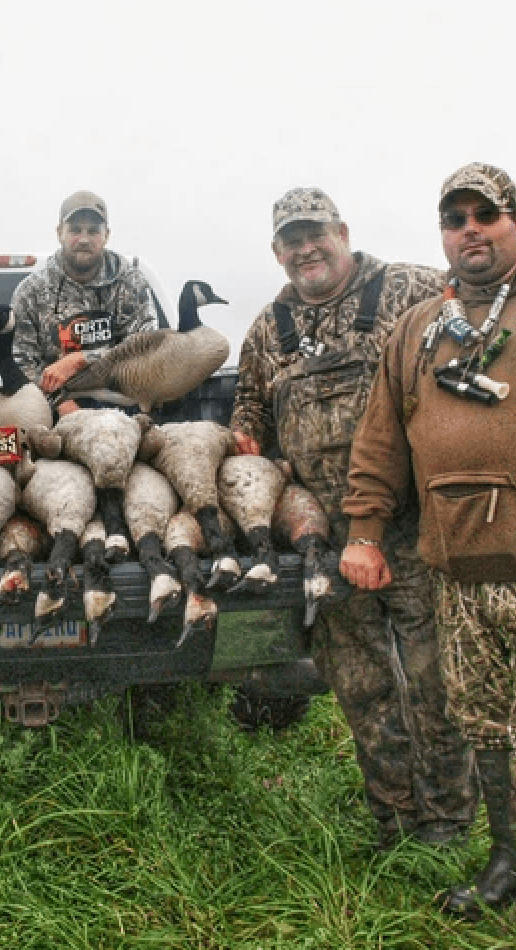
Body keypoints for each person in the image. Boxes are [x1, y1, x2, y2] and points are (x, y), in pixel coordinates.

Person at [230, 187, 477, 849]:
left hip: (418, 531)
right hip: (329, 545)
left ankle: (448, 823)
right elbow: (249, 415)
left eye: (315, 234)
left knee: (434, 682)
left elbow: (486, 339)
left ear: (341, 231)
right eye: (290, 240)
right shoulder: (269, 327)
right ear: (277, 251)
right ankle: (393, 822)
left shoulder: (413, 289)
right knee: (363, 690)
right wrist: (247, 444)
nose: (305, 249)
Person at [342, 162, 516, 917]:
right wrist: (366, 532)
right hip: (461, 572)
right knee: (485, 719)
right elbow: (381, 441)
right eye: (455, 219)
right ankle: (507, 862)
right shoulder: (417, 331)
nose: (470, 230)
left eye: (487, 214)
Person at [11, 190, 158, 417]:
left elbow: (146, 347)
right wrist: (59, 404)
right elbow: (22, 362)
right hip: (55, 410)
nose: (84, 239)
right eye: (75, 230)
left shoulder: (130, 282)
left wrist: (81, 359)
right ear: (59, 233)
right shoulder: (31, 291)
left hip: (122, 404)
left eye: (93, 231)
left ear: (106, 235)